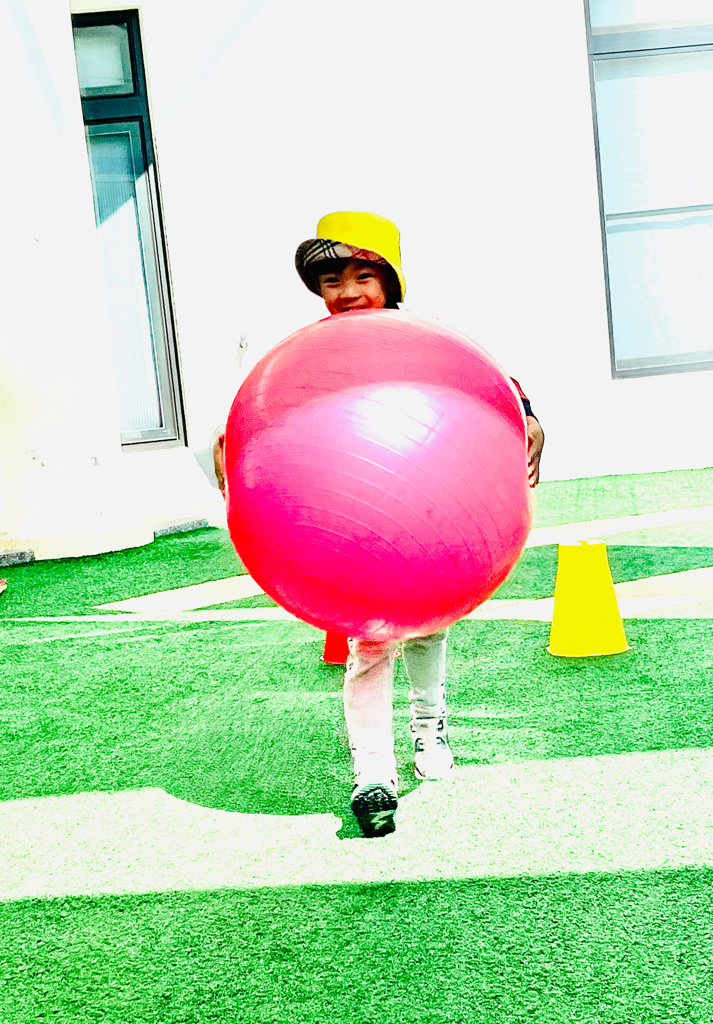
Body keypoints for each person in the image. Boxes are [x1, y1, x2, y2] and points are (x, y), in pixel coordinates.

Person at [216, 211, 544, 839]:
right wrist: (229, 437)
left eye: (362, 276)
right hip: (355, 536)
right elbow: (270, 408)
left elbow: (492, 385)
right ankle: (372, 775)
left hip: (433, 525)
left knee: (429, 630)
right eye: (331, 280)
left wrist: (528, 416)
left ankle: (429, 727)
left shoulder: (425, 339)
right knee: (369, 645)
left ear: (390, 280)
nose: (346, 293)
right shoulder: (308, 352)